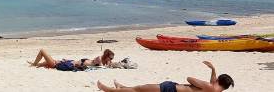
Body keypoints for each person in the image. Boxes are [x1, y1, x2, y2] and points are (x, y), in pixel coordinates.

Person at [97, 61, 234, 92]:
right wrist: (213, 69)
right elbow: (212, 83)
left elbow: (189, 79)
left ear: (218, 80)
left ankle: (110, 90)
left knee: (139, 89)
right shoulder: (214, 90)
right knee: (142, 89)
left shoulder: (209, 86)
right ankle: (122, 87)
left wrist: (211, 74)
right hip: (173, 89)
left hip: (171, 89)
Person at [28, 48, 114, 71]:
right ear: (106, 56)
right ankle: (35, 64)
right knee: (47, 62)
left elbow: (102, 66)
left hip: (63, 65)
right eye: (110, 58)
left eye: (111, 58)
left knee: (42, 51)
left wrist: (109, 62)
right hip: (68, 62)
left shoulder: (100, 61)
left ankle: (35, 64)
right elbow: (103, 65)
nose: (111, 59)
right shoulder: (99, 59)